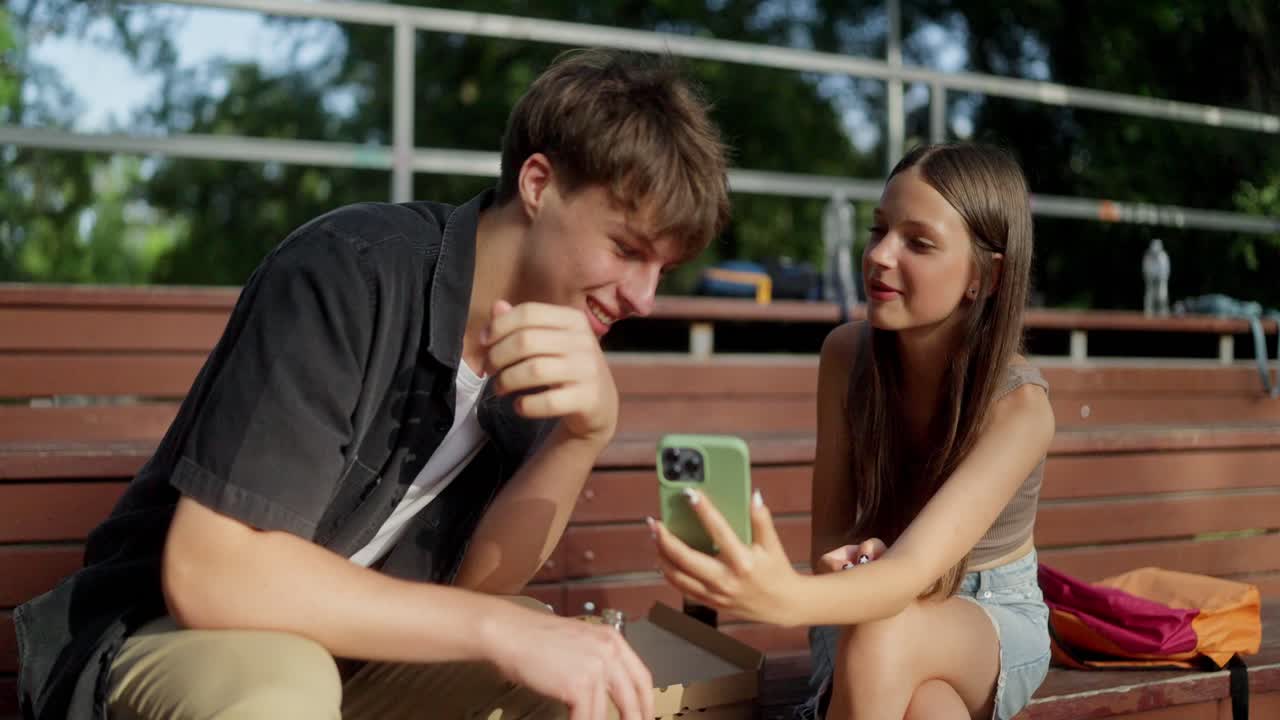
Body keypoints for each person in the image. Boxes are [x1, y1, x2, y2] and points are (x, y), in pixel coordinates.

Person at [15, 48, 730, 720]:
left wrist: (583, 436)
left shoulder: (552, 335)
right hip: (163, 636)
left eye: (661, 270)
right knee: (287, 682)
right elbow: (211, 575)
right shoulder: (349, 271)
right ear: (538, 185)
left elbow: (477, 592)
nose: (644, 298)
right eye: (627, 249)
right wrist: (494, 629)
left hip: (349, 656)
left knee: (574, 672)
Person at [650, 142, 1055, 720]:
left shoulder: (1019, 408)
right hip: (861, 603)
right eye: (878, 229)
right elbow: (829, 544)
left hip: (986, 616)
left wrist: (781, 597)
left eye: (918, 242)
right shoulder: (846, 356)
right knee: (930, 708)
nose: (881, 256)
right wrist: (842, 569)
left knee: (883, 630)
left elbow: (913, 574)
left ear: (986, 279)